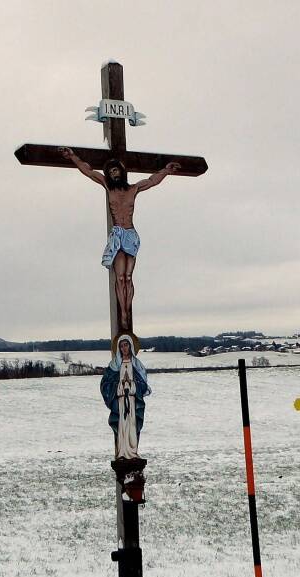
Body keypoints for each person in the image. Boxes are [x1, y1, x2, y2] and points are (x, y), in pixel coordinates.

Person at [58, 147, 181, 331]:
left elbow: (152, 180)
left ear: (122, 172)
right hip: (117, 235)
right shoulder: (108, 187)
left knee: (129, 277)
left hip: (130, 234)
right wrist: (73, 157)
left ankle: (127, 309)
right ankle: (123, 312)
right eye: (110, 172)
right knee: (120, 277)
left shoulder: (133, 189)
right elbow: (89, 171)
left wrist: (166, 170)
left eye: (115, 170)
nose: (113, 174)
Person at [101, 335, 151, 460]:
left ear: (131, 346)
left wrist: (132, 386)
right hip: (120, 402)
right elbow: (105, 384)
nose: (124, 348)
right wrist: (119, 387)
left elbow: (143, 385)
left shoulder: (137, 364)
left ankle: (133, 452)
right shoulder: (114, 365)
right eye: (121, 346)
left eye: (126, 345)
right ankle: (121, 453)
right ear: (119, 348)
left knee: (132, 427)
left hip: (133, 401)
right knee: (121, 427)